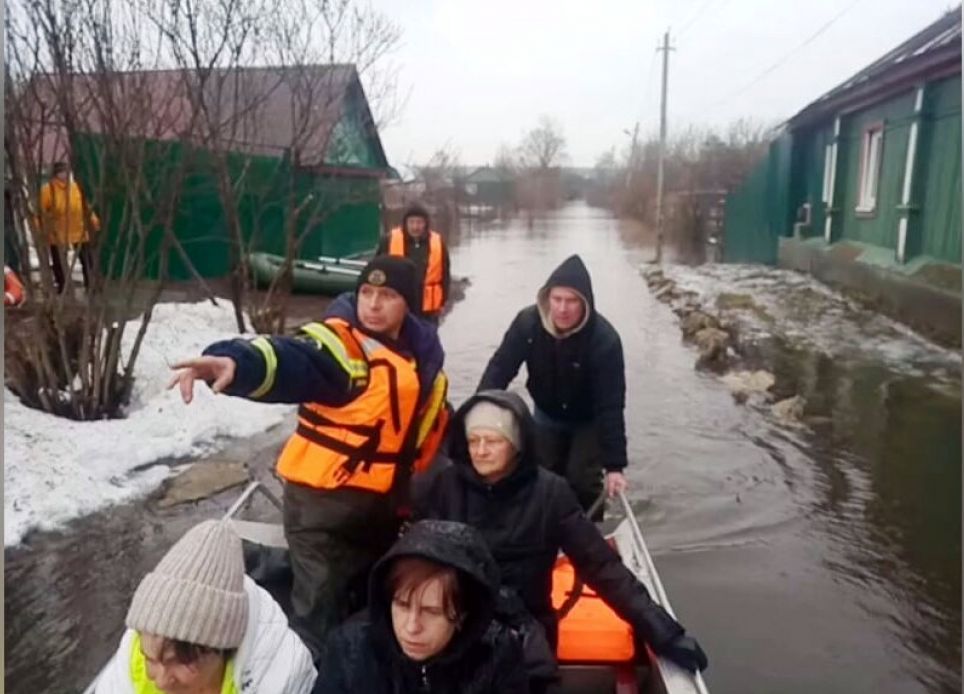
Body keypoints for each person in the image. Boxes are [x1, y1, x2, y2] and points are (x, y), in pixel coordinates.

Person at [167, 256, 450, 660]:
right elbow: (294, 359)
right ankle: (307, 674)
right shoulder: (341, 346)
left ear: (409, 304)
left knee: (367, 597)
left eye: (387, 295)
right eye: (366, 292)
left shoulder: (420, 356)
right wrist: (237, 363)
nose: (372, 304)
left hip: (381, 509)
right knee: (318, 621)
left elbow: (429, 425)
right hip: (322, 515)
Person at [413, 390, 708, 681]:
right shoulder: (445, 486)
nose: (480, 451)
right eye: (473, 441)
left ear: (516, 445)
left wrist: (665, 634)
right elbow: (416, 562)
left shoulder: (551, 493)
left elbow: (602, 567)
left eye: (492, 441)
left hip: (526, 631)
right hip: (459, 625)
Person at [86, 519, 316, 694]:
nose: (161, 681)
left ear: (224, 648)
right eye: (150, 659)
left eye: (182, 662)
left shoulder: (285, 675)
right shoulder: (130, 659)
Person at [477, 254, 627, 519]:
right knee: (543, 477)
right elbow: (500, 368)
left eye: (571, 301)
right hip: (547, 413)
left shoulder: (604, 341)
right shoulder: (528, 324)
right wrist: (478, 413)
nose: (562, 309)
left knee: (581, 480)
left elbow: (611, 406)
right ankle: (544, 527)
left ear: (585, 304)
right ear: (547, 299)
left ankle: (588, 531)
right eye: (557, 300)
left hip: (588, 420)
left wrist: (615, 466)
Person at [314, 519, 528, 693]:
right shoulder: (350, 650)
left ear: (463, 614)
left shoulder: (497, 654)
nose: (411, 627)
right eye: (402, 605)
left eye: (432, 611)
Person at [376, 203, 451, 324]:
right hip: (398, 304)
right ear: (405, 223)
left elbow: (445, 274)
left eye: (419, 222)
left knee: (427, 340)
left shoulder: (437, 242)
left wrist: (443, 302)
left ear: (426, 224)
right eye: (411, 222)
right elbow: (377, 270)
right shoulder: (389, 240)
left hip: (428, 309)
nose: (415, 227)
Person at [36, 161, 99, 292]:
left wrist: (93, 219)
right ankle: (63, 286)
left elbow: (84, 206)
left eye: (65, 172)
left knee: (86, 259)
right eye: (61, 172)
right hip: (58, 231)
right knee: (59, 261)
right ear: (55, 174)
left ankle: (91, 284)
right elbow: (40, 211)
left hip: (78, 228)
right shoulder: (48, 190)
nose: (64, 175)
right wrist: (40, 229)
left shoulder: (75, 187)